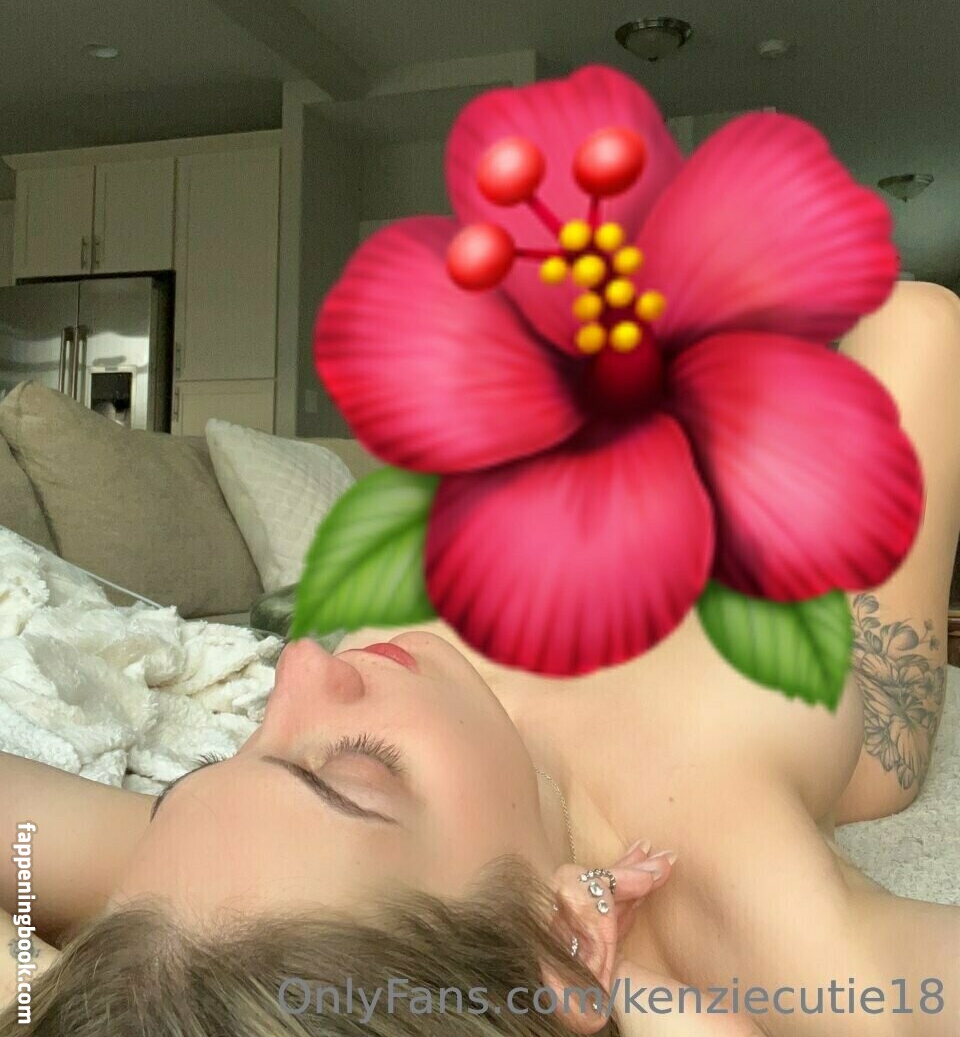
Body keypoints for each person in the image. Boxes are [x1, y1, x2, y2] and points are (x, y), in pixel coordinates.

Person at [1, 281, 958, 1036]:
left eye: (228, 758)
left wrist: (31, 986)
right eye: (352, 770)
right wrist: (632, 995)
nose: (297, 673)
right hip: (830, 619)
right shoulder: (728, 884)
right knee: (917, 320)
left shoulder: (234, 896)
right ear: (553, 945)